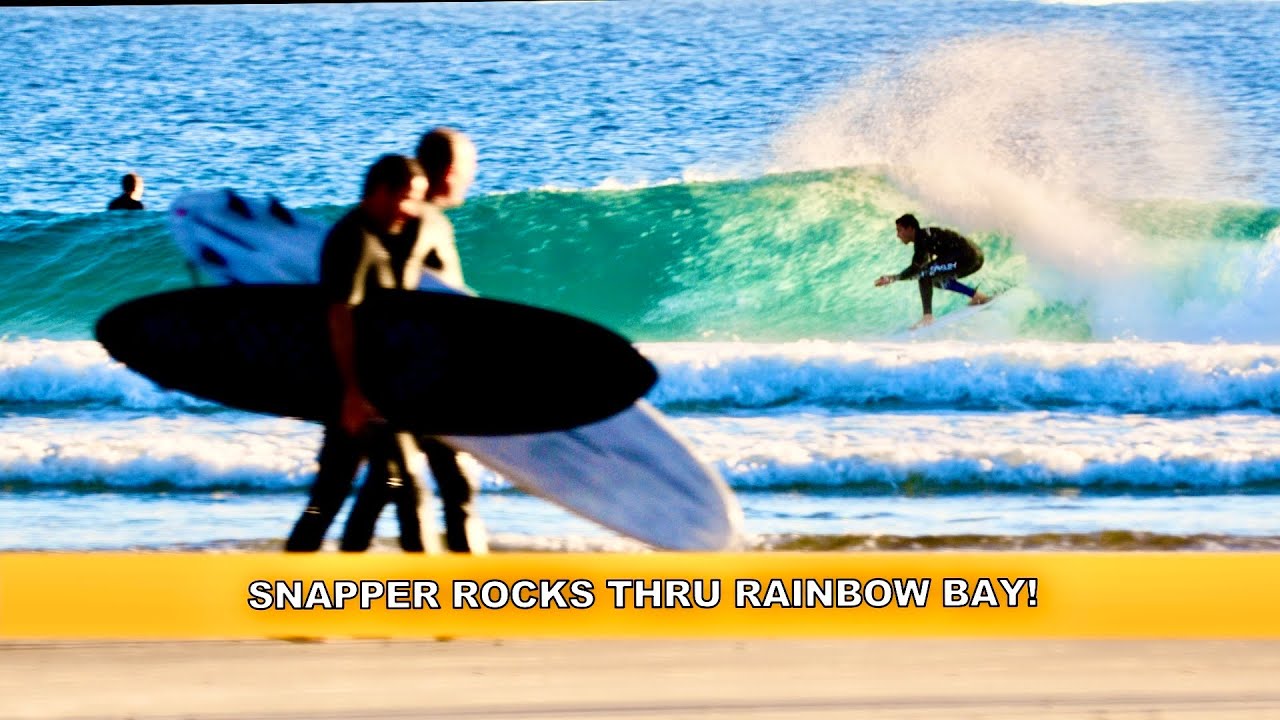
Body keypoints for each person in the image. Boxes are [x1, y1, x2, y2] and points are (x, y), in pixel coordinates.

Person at [340, 127, 487, 555]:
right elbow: (397, 300)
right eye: (467, 170)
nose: (470, 180)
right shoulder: (416, 224)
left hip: (413, 376)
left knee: (386, 486)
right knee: (441, 487)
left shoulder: (413, 220)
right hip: (414, 380)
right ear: (448, 171)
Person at [284, 154, 433, 553]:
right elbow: (339, 314)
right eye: (409, 198)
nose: (413, 210)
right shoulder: (354, 239)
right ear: (383, 193)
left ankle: (343, 565)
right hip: (356, 394)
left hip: (374, 392)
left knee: (366, 487)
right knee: (381, 489)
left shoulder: (375, 236)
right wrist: (352, 394)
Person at [875, 213, 991, 329]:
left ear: (910, 228)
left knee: (924, 274)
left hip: (968, 257)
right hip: (973, 257)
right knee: (934, 279)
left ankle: (927, 317)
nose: (898, 235)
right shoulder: (925, 237)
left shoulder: (922, 238)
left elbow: (916, 269)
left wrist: (893, 278)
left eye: (899, 230)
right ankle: (976, 296)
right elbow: (921, 266)